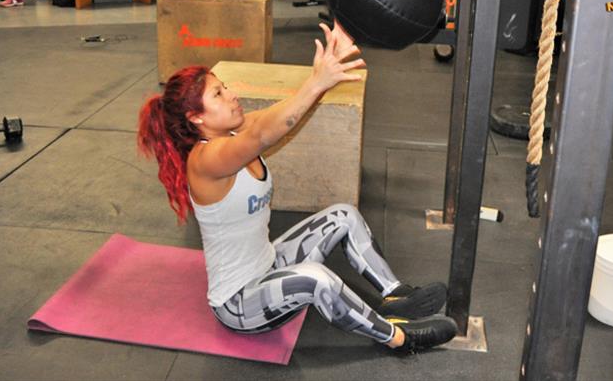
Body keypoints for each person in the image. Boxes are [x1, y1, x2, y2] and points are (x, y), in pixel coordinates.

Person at [137, 23, 459, 354]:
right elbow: (263, 135)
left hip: (269, 263)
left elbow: (277, 116)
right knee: (315, 277)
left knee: (343, 215)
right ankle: (399, 339)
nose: (231, 95)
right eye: (218, 94)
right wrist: (317, 81)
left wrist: (324, 73)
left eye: (225, 87)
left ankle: (395, 296)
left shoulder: (234, 131)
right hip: (239, 302)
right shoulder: (206, 160)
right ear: (196, 117)